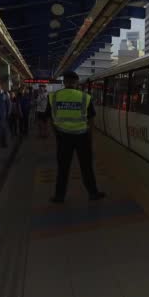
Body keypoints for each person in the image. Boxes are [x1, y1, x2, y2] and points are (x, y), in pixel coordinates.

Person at [46, 71, 105, 203]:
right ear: (76, 82)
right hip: (82, 137)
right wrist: (90, 137)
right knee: (86, 167)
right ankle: (93, 193)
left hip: (62, 137)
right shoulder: (85, 97)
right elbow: (91, 120)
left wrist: (57, 134)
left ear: (65, 82)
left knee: (63, 168)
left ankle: (59, 196)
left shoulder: (53, 97)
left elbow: (50, 119)